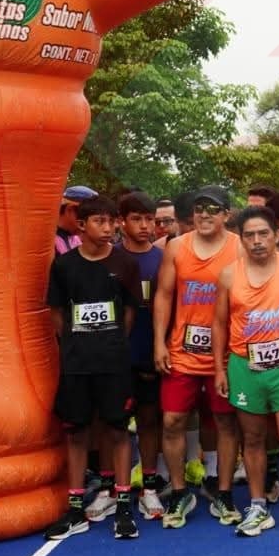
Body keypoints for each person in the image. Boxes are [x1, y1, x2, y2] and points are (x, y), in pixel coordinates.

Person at [43, 196, 144, 541]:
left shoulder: (125, 263)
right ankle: (75, 509)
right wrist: (75, 344)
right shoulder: (64, 266)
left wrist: (112, 343)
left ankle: (123, 504)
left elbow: (129, 312)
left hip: (114, 362)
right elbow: (57, 313)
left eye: (111, 221)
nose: (108, 228)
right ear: (82, 225)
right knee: (76, 432)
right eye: (100, 221)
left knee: (118, 430)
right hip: (77, 363)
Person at [211, 206, 279, 537]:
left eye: (263, 234)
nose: (257, 241)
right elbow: (218, 323)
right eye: (249, 235)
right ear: (241, 239)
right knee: (253, 437)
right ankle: (257, 505)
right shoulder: (229, 275)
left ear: (276, 235)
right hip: (245, 366)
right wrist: (219, 369)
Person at [153, 186, 242, 528]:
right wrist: (159, 343)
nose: (205, 214)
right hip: (183, 351)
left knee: (225, 422)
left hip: (225, 354)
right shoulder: (177, 247)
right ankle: (179, 491)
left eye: (213, 209)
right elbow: (164, 295)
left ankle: (223, 490)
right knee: (172, 421)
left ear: (226, 215)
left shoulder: (239, 247)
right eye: (199, 208)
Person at [116, 192, 167, 519]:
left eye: (150, 219)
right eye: (137, 219)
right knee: (115, 424)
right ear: (122, 222)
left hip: (152, 353)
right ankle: (113, 489)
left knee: (149, 421)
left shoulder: (163, 259)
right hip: (116, 357)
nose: (145, 225)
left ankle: (150, 487)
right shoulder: (110, 258)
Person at [56, 186, 98, 254]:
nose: (86, 226)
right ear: (69, 210)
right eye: (85, 217)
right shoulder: (48, 242)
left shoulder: (76, 239)